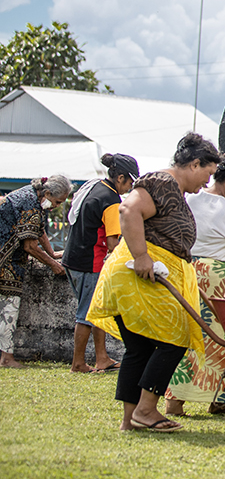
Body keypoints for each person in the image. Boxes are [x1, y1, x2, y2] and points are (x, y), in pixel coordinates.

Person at [87, 133, 220, 432]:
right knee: (175, 339)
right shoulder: (162, 181)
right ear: (195, 163)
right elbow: (128, 209)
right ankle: (146, 411)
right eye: (207, 174)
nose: (206, 185)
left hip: (145, 275)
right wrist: (142, 255)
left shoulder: (173, 188)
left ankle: (130, 421)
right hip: (139, 273)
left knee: (140, 348)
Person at [165, 150, 225, 417]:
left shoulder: (189, 200)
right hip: (216, 279)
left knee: (186, 335)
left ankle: (174, 401)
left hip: (185, 271)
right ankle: (224, 401)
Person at [63, 153, 140, 374]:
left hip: (73, 259)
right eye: (130, 182)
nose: (130, 187)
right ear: (121, 178)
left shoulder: (94, 188)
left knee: (97, 310)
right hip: (90, 262)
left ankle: (102, 358)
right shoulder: (111, 200)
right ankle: (78, 364)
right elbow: (113, 242)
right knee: (86, 314)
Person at [1, 175, 72, 368]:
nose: (57, 206)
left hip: (7, 259)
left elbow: (38, 230)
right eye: (57, 201)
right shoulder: (30, 204)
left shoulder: (32, 196)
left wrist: (51, 252)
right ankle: (6, 358)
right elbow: (30, 246)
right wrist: (52, 264)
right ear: (48, 193)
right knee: (9, 307)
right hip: (6, 262)